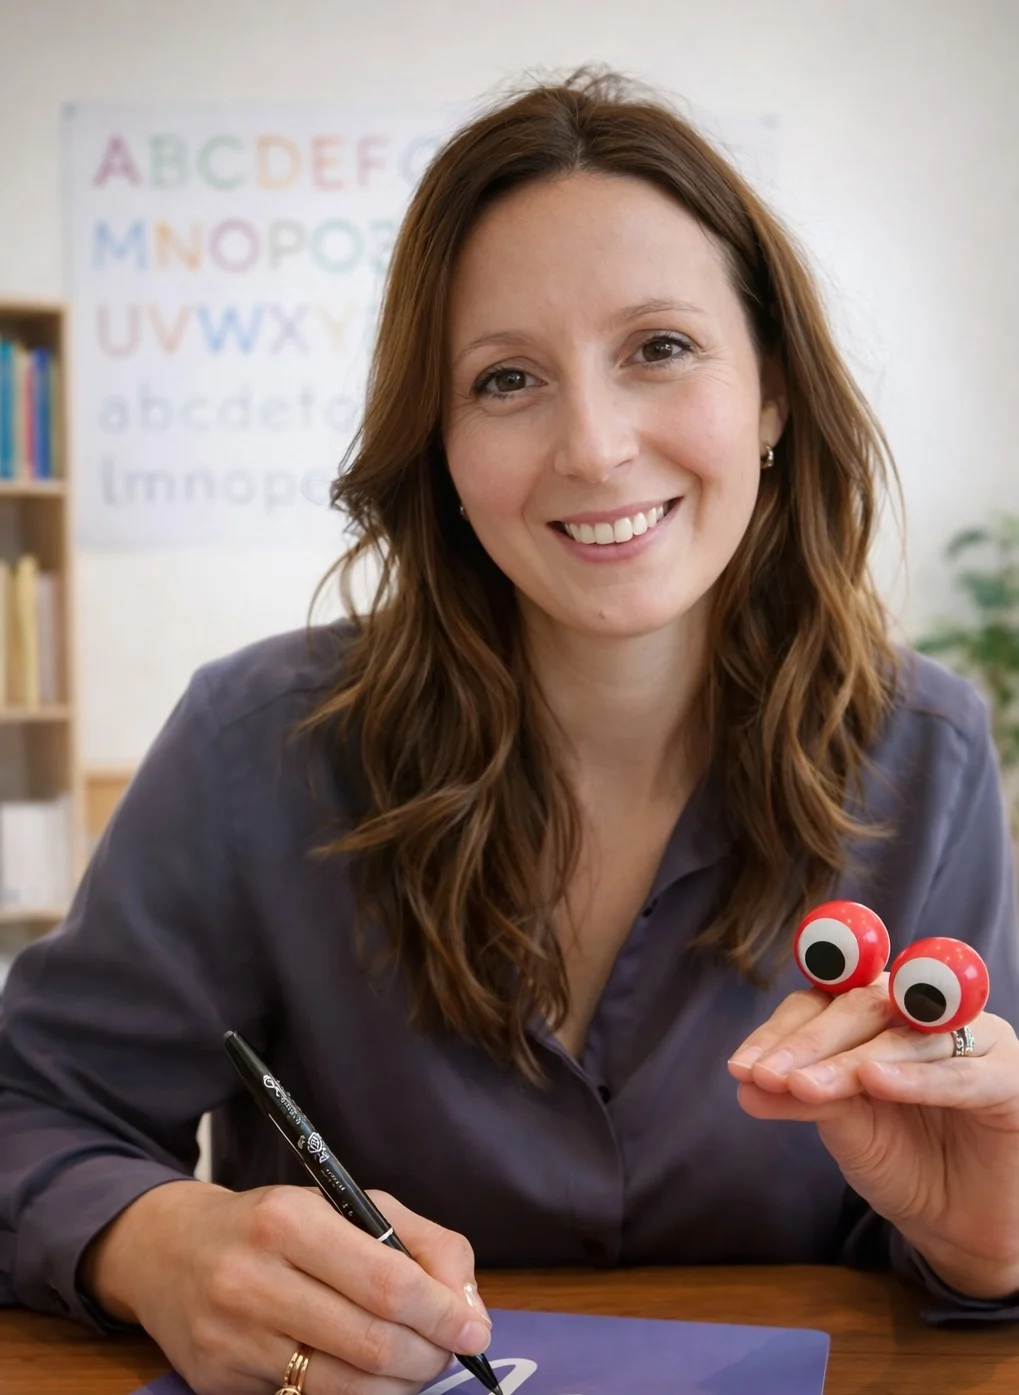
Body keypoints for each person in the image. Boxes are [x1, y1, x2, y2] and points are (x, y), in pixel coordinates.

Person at [2, 67, 1019, 1395]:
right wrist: (157, 1237)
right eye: (506, 378)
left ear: (770, 392)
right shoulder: (256, 745)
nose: (593, 447)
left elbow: (960, 1229)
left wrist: (985, 1247)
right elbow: (29, 1107)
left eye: (659, 347)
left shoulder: (927, 751)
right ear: (438, 444)